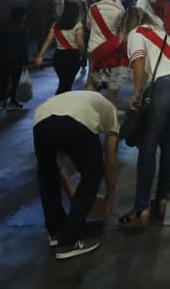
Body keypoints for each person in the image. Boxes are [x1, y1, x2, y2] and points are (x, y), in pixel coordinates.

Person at [118, 7, 170, 230]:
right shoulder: (162, 33)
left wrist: (137, 93)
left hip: (162, 88)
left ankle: (141, 208)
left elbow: (139, 62)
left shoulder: (135, 34)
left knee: (148, 147)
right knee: (169, 142)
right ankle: (161, 199)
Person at [32, 89, 119, 259]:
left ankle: (56, 231)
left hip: (40, 120)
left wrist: (74, 195)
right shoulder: (112, 113)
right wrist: (110, 198)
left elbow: (59, 166)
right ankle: (69, 241)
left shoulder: (80, 97)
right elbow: (111, 158)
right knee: (93, 172)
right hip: (78, 119)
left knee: (47, 174)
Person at [85, 0, 129, 98]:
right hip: (111, 50)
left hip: (94, 47)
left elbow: (88, 27)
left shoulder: (92, 7)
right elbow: (122, 30)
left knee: (91, 79)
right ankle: (111, 106)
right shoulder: (120, 9)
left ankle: (90, 103)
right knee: (112, 80)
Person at [36, 0, 85, 95]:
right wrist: (82, 55)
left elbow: (48, 41)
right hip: (72, 56)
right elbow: (80, 44)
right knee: (67, 84)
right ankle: (60, 103)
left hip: (58, 56)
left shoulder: (56, 25)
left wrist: (40, 55)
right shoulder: (78, 26)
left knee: (63, 82)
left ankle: (59, 101)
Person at [0, 6, 30, 109]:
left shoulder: (4, 27)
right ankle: (12, 101)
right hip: (17, 59)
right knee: (15, 80)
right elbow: (24, 46)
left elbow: (0, 42)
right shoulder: (22, 28)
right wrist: (25, 61)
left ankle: (2, 101)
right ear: (21, 16)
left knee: (4, 80)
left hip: (5, 57)